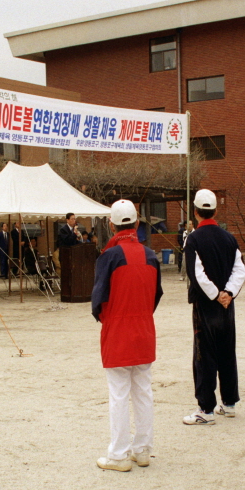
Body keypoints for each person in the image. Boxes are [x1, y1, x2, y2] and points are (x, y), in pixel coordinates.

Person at [92, 200, 163, 471]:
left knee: (119, 394)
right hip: (144, 328)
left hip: (118, 330)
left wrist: (109, 320)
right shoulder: (150, 255)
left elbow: (97, 300)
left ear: (111, 225)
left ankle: (118, 455)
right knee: (143, 391)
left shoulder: (108, 256)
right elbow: (156, 295)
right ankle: (143, 450)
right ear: (136, 224)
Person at [182, 188, 245, 424]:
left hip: (205, 305)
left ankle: (206, 409)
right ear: (215, 210)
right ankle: (229, 403)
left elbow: (196, 273)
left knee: (204, 354)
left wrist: (215, 294)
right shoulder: (229, 237)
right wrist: (228, 293)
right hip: (227, 305)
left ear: (195, 212)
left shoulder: (194, 239)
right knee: (227, 351)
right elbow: (240, 268)